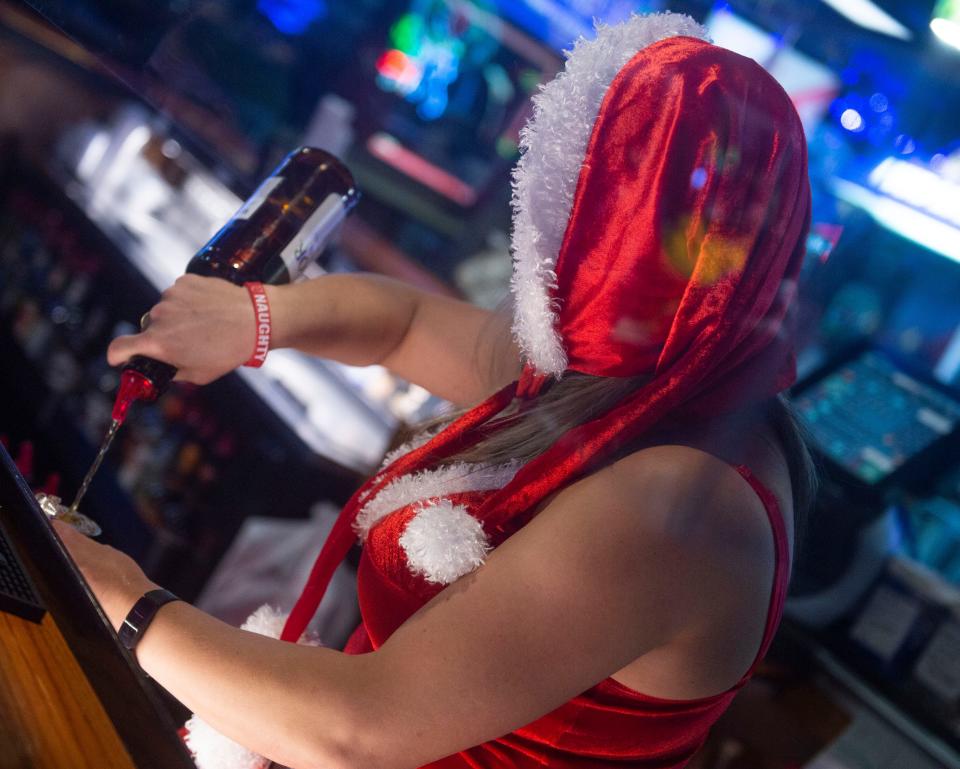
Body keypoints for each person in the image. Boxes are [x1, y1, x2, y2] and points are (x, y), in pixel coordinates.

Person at [56, 12, 817, 769]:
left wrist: (117, 592)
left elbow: (358, 729)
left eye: (574, 208)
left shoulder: (677, 506)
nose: (544, 244)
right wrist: (257, 318)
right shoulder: (654, 374)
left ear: (630, 232)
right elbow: (405, 321)